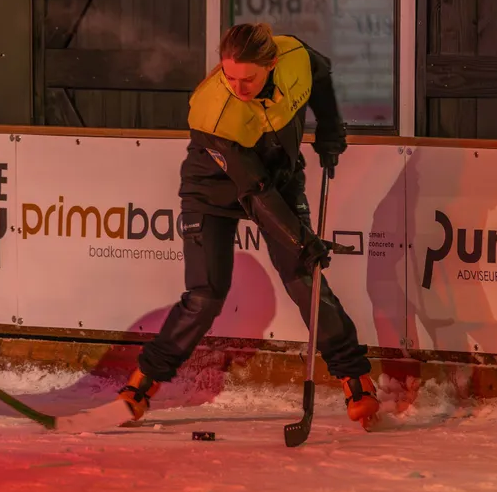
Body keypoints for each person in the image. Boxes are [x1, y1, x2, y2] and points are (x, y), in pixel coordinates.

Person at [115, 22, 381, 427]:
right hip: (214, 192)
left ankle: (354, 376)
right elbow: (253, 190)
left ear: (271, 63)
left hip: (279, 178)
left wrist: (329, 127)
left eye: (249, 79)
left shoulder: (293, 55)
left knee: (303, 279)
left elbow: (321, 74)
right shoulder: (215, 110)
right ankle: (143, 381)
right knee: (206, 296)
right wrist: (299, 238)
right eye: (230, 76)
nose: (239, 87)